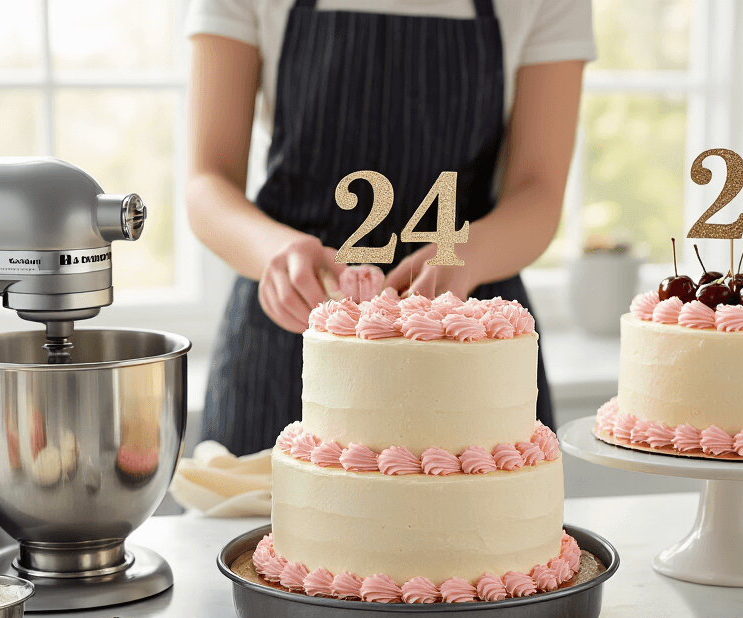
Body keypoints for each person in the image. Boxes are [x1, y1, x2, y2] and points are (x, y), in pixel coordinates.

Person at [186, 0, 594, 456]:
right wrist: (274, 252)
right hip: (288, 335)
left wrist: (462, 254)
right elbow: (207, 181)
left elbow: (537, 191)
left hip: (465, 334)